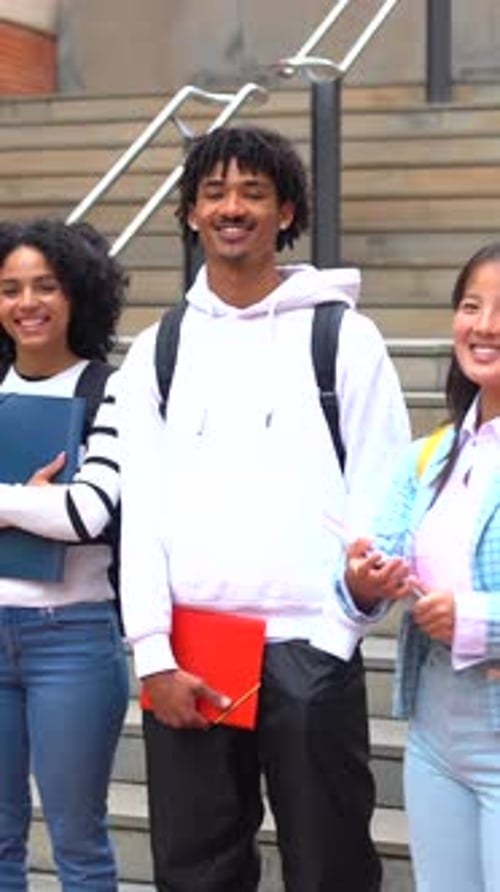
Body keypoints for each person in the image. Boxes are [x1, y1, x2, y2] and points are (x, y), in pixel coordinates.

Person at [117, 125, 411, 892]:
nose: (232, 208)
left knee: (331, 870)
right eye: (214, 193)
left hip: (309, 644)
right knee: (197, 874)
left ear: (287, 211)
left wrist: (337, 633)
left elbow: (385, 490)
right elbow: (140, 504)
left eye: (253, 192)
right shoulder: (160, 348)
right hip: (195, 650)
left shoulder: (343, 337)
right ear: (190, 213)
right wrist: (154, 653)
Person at [342, 242, 500, 892]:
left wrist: (475, 617)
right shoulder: (428, 455)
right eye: (471, 305)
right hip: (437, 730)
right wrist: (363, 578)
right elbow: (368, 568)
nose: (484, 325)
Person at [0, 218, 129, 891]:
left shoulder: (111, 388)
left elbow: (87, 512)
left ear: (78, 293)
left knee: (79, 843)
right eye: (10, 288)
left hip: (72, 638)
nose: (27, 302)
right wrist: (29, 499)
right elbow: (54, 508)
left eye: (45, 286)